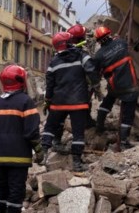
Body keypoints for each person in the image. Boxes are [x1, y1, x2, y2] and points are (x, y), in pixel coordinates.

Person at [0, 64, 42, 213]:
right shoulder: (25, 102)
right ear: (21, 80)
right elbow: (31, 132)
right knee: (16, 191)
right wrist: (39, 151)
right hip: (19, 157)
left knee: (1, 188)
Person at [41, 30, 101, 173]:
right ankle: (76, 164)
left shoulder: (53, 62)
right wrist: (96, 86)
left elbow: (49, 83)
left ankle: (42, 156)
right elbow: (92, 71)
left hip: (58, 102)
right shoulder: (81, 56)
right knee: (78, 134)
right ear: (69, 42)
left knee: (49, 128)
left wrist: (48, 100)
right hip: (78, 102)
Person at [92, 26, 139, 150]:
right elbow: (127, 44)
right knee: (128, 114)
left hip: (115, 87)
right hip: (130, 85)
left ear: (98, 41)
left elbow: (95, 72)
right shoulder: (121, 43)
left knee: (107, 101)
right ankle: (124, 141)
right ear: (109, 34)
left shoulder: (98, 56)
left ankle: (99, 125)